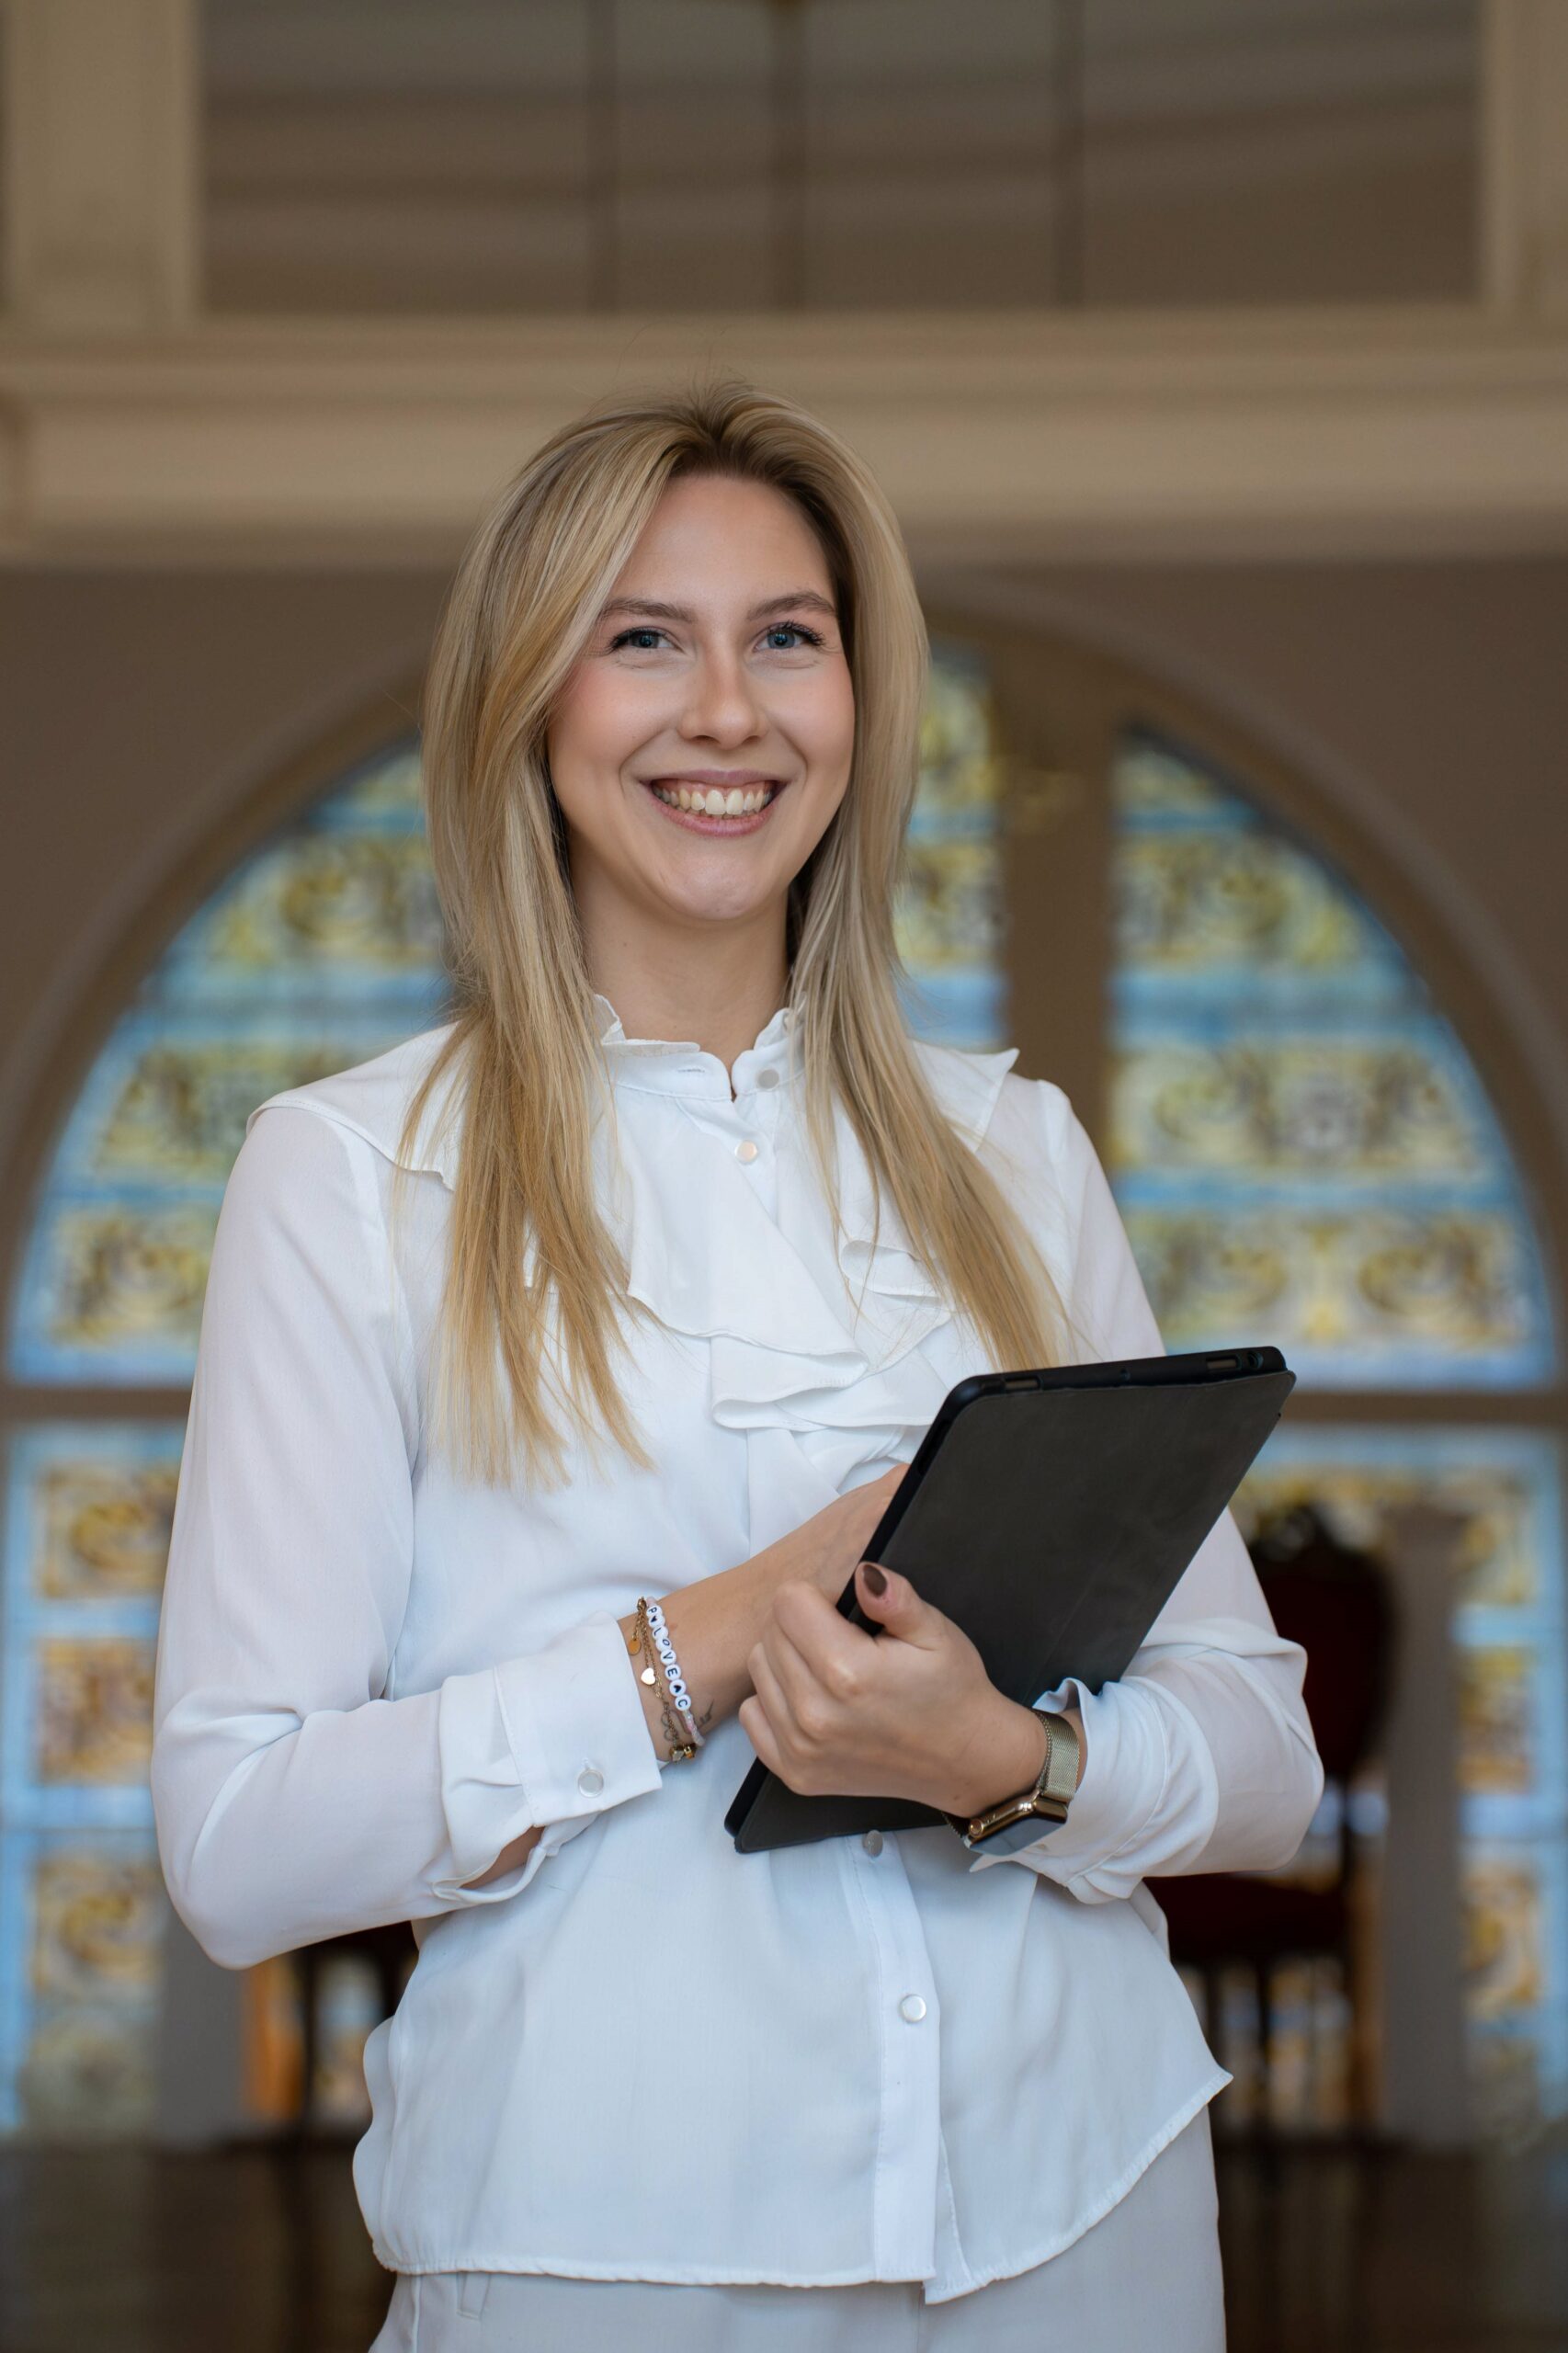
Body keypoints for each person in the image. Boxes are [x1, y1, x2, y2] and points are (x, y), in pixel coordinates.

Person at [150, 382, 1324, 2352]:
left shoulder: (1014, 1149)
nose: (728, 709)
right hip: (606, 2248)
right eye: (642, 637)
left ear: (859, 700)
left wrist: (1006, 1764)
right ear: (529, 703)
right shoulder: (348, 1174)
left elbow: (1265, 1756)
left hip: (1087, 2211)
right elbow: (237, 1841)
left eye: (787, 634)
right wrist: (708, 1632)